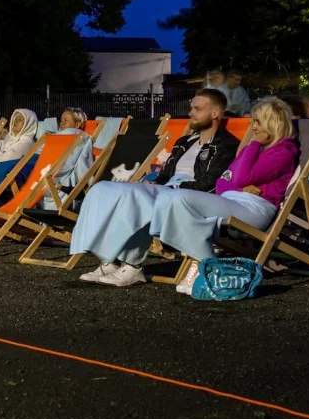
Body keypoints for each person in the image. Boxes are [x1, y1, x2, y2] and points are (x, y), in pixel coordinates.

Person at [69, 88, 242, 286]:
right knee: (101, 189)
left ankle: (133, 266)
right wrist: (155, 183)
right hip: (168, 188)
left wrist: (171, 188)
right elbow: (165, 175)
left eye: (197, 109)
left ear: (215, 113)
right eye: (191, 108)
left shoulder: (226, 144)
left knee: (136, 195)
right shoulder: (184, 142)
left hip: (189, 195)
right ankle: (109, 260)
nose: (190, 112)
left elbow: (210, 183)